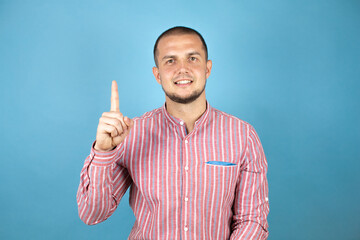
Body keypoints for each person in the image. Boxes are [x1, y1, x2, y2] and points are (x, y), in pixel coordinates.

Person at [77, 26, 269, 240]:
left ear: (208, 68)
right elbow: (92, 213)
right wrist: (104, 151)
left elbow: (252, 220)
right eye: (170, 61)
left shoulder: (243, 136)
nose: (182, 69)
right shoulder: (131, 134)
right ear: (157, 74)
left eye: (192, 58)